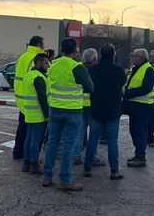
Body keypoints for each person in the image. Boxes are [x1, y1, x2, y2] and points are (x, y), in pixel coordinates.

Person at [42, 39, 93, 190]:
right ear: (76, 51)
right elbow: (90, 87)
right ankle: (64, 180)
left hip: (55, 108)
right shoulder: (77, 67)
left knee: (52, 143)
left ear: (62, 49)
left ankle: (47, 176)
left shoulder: (53, 65)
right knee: (67, 146)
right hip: (73, 111)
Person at [86, 44, 127, 179]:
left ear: (100, 54)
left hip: (96, 109)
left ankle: (87, 168)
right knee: (112, 141)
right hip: (113, 110)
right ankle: (114, 170)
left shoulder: (93, 69)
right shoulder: (119, 70)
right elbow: (122, 85)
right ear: (114, 54)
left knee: (92, 139)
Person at [12, 36, 46, 164]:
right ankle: (32, 158)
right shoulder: (36, 58)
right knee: (34, 133)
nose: (44, 46)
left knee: (23, 128)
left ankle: (18, 152)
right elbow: (37, 77)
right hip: (32, 98)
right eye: (43, 44)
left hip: (22, 97)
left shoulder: (23, 56)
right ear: (38, 44)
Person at [123, 48, 154, 167]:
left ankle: (141, 157)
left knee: (140, 131)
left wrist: (127, 93)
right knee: (134, 131)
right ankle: (138, 154)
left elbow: (146, 88)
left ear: (141, 57)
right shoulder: (134, 68)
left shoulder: (148, 69)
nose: (132, 58)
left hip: (142, 107)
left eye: (134, 56)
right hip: (133, 105)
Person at [23, 53, 50, 175]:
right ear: (39, 62)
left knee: (29, 138)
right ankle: (34, 165)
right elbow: (42, 97)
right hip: (38, 113)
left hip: (29, 112)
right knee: (35, 140)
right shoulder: (39, 77)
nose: (48, 66)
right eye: (45, 63)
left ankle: (26, 163)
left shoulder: (29, 75)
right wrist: (47, 113)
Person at [72, 48, 99, 168]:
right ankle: (93, 157)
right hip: (93, 105)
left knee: (79, 132)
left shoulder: (77, 67)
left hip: (80, 104)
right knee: (94, 134)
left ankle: (76, 155)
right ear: (94, 58)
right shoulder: (96, 69)